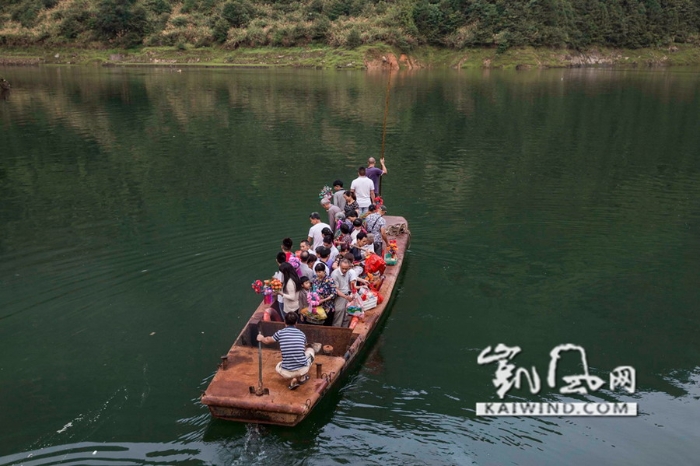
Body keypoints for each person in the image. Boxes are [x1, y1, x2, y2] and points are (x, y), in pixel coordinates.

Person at [257, 312, 315, 390]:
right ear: (296, 323)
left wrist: (261, 338)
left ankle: (293, 378)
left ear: (284, 321)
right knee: (310, 350)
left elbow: (267, 341)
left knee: (278, 365)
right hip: (302, 370)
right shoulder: (302, 334)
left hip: (286, 373)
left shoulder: (280, 333)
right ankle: (302, 378)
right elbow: (303, 350)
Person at [331, 259, 357, 327]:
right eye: (343, 269)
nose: (344, 270)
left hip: (348, 294)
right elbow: (336, 289)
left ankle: (345, 329)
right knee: (340, 311)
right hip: (340, 296)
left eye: (346, 269)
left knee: (347, 315)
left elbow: (351, 282)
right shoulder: (335, 274)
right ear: (339, 266)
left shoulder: (349, 272)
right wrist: (346, 297)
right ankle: (336, 330)